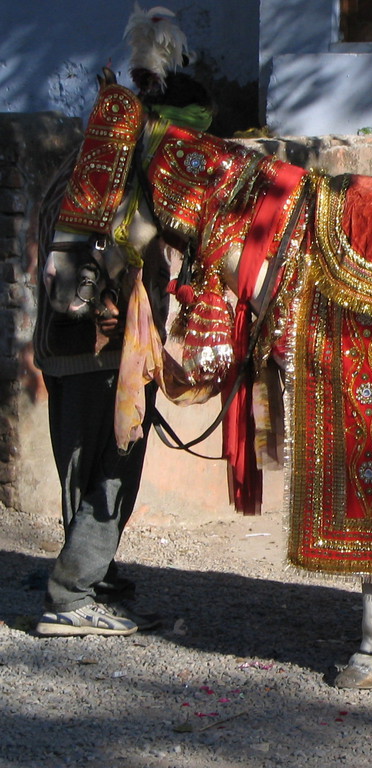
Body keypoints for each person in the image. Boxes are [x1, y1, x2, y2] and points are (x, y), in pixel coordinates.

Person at [32, 166, 169, 637]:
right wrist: (110, 308)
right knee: (111, 477)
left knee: (80, 474)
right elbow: (101, 255)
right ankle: (71, 597)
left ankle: (91, 575)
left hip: (62, 354)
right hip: (103, 357)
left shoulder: (67, 179)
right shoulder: (112, 183)